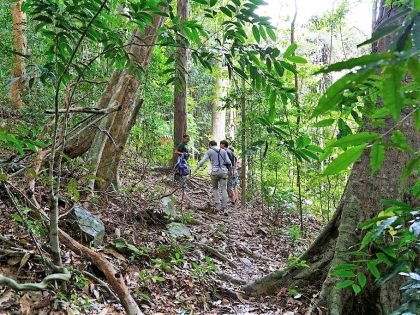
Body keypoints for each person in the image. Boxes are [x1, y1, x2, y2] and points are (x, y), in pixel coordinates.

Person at [194, 140, 231, 213]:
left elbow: (202, 162)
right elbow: (229, 162)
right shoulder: (223, 151)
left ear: (210, 145)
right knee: (223, 189)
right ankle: (225, 208)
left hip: (214, 172)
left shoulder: (210, 151)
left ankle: (218, 205)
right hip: (223, 171)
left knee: (215, 188)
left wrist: (196, 169)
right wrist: (229, 170)